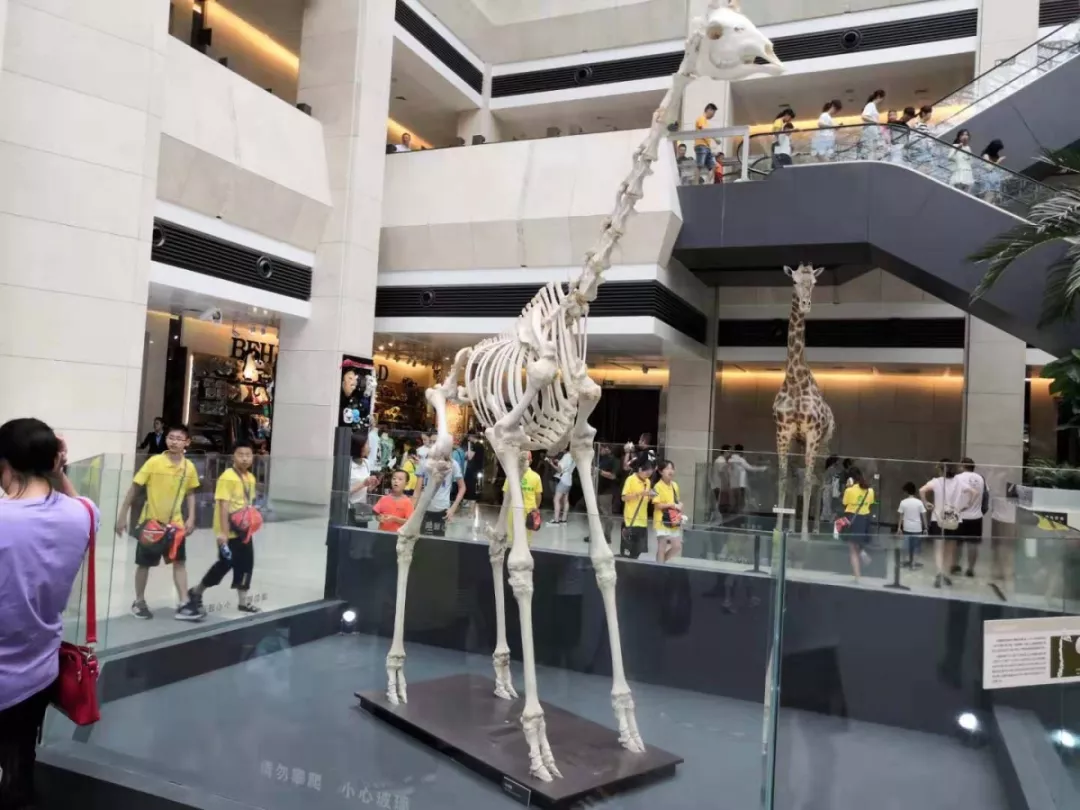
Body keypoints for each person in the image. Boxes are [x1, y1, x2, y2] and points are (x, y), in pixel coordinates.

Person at [0, 419, 97, 810]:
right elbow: (82, 506)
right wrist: (57, 472)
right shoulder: (82, 515)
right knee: (21, 755)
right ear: (54, 462)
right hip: (40, 667)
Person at [115, 424, 200, 620]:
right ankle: (139, 601)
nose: (174, 442)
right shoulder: (154, 462)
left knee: (179, 562)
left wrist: (191, 517)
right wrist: (122, 515)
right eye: (171, 437)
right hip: (151, 524)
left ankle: (184, 602)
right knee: (144, 564)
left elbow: (190, 493)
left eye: (179, 438)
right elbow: (135, 488)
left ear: (187, 442)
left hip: (176, 525)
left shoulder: (189, 467)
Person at [177, 442, 262, 620]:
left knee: (246, 565)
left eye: (248, 455)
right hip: (229, 531)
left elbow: (247, 504)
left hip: (244, 531)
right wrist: (223, 533)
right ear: (233, 457)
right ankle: (197, 591)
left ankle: (243, 602)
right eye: (240, 454)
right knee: (224, 564)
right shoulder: (227, 477)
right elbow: (223, 506)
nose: (245, 458)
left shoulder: (251, 478)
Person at [920, 459, 965, 588]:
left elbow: (922, 490)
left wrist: (926, 503)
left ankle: (939, 573)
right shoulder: (959, 482)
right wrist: (964, 506)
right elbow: (974, 492)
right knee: (950, 550)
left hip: (938, 518)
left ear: (940, 469)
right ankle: (946, 574)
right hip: (954, 519)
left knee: (939, 549)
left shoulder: (936, 481)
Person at [414, 450, 464, 537]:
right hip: (424, 509)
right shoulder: (424, 463)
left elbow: (462, 487)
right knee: (423, 539)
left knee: (438, 540)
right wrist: (413, 508)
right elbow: (417, 490)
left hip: (442, 509)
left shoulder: (453, 464)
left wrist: (453, 508)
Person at [841, 466, 875, 580]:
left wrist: (848, 488)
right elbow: (870, 503)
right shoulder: (870, 490)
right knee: (858, 543)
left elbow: (844, 502)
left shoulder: (849, 490)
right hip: (865, 519)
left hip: (853, 518)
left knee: (852, 548)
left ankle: (857, 575)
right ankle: (862, 553)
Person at [954, 457, 987, 578]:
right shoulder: (981, 479)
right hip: (976, 517)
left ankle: (956, 565)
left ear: (963, 465)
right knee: (973, 544)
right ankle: (970, 569)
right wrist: (982, 511)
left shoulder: (958, 478)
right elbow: (985, 496)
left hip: (960, 516)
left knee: (957, 543)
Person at [504, 451, 543, 544]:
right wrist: (536, 508)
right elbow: (538, 496)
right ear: (530, 461)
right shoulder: (536, 477)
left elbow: (506, 494)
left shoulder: (511, 475)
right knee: (526, 539)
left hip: (513, 509)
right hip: (529, 511)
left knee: (511, 537)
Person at [621, 455, 655, 559]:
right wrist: (639, 494)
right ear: (640, 469)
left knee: (638, 550)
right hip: (631, 519)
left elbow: (645, 500)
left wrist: (650, 496)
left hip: (642, 520)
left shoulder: (648, 482)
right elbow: (624, 497)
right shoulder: (631, 479)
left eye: (650, 471)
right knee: (629, 549)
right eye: (646, 471)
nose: (648, 473)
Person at [653, 460, 683, 563]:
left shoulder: (675, 485)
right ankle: (660, 567)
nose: (670, 471)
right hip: (661, 520)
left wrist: (679, 505)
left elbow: (677, 501)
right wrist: (672, 505)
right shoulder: (657, 486)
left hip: (673, 519)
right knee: (662, 547)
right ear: (661, 471)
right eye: (667, 468)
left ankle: (660, 564)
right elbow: (657, 505)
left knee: (677, 546)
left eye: (672, 468)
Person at [896, 481, 928, 569]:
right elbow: (924, 515)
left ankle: (903, 562)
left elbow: (901, 516)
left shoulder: (903, 502)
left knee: (905, 546)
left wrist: (899, 528)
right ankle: (913, 564)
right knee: (916, 547)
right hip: (917, 528)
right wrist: (925, 528)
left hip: (907, 528)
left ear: (906, 491)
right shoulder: (919, 502)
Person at [728, 444, 765, 514]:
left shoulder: (730, 460)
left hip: (733, 484)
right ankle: (739, 515)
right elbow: (750, 468)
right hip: (741, 484)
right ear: (741, 451)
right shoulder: (740, 460)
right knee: (741, 502)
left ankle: (734, 515)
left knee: (735, 501)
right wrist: (762, 468)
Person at [546, 449, 575, 525]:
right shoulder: (574, 455)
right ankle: (563, 520)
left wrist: (551, 463)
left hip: (563, 480)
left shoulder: (566, 456)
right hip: (569, 480)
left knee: (556, 500)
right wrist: (559, 462)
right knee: (566, 500)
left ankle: (556, 521)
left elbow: (559, 470)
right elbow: (568, 466)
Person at [694, 102, 719, 184]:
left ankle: (707, 183)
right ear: (709, 110)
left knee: (714, 166)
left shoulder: (705, 121)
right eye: (713, 113)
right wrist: (715, 139)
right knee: (699, 165)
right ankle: (696, 183)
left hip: (707, 146)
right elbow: (704, 130)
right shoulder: (701, 118)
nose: (713, 115)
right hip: (701, 144)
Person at [859, 89, 886, 159]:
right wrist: (875, 121)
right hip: (869, 132)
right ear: (879, 96)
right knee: (869, 150)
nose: (882, 100)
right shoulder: (870, 105)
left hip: (873, 132)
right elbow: (864, 116)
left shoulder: (872, 106)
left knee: (872, 150)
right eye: (882, 98)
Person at [464, 433, 486, 512]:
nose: (468, 439)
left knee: (471, 488)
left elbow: (470, 457)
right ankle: (471, 509)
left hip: (473, 469)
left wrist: (468, 450)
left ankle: (471, 510)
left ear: (472, 436)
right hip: (478, 469)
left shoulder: (475, 445)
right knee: (473, 487)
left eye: (469, 437)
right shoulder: (481, 445)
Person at [909, 105, 934, 173]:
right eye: (929, 114)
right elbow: (913, 139)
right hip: (919, 156)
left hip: (926, 156)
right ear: (923, 113)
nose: (930, 116)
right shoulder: (916, 124)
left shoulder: (926, 125)